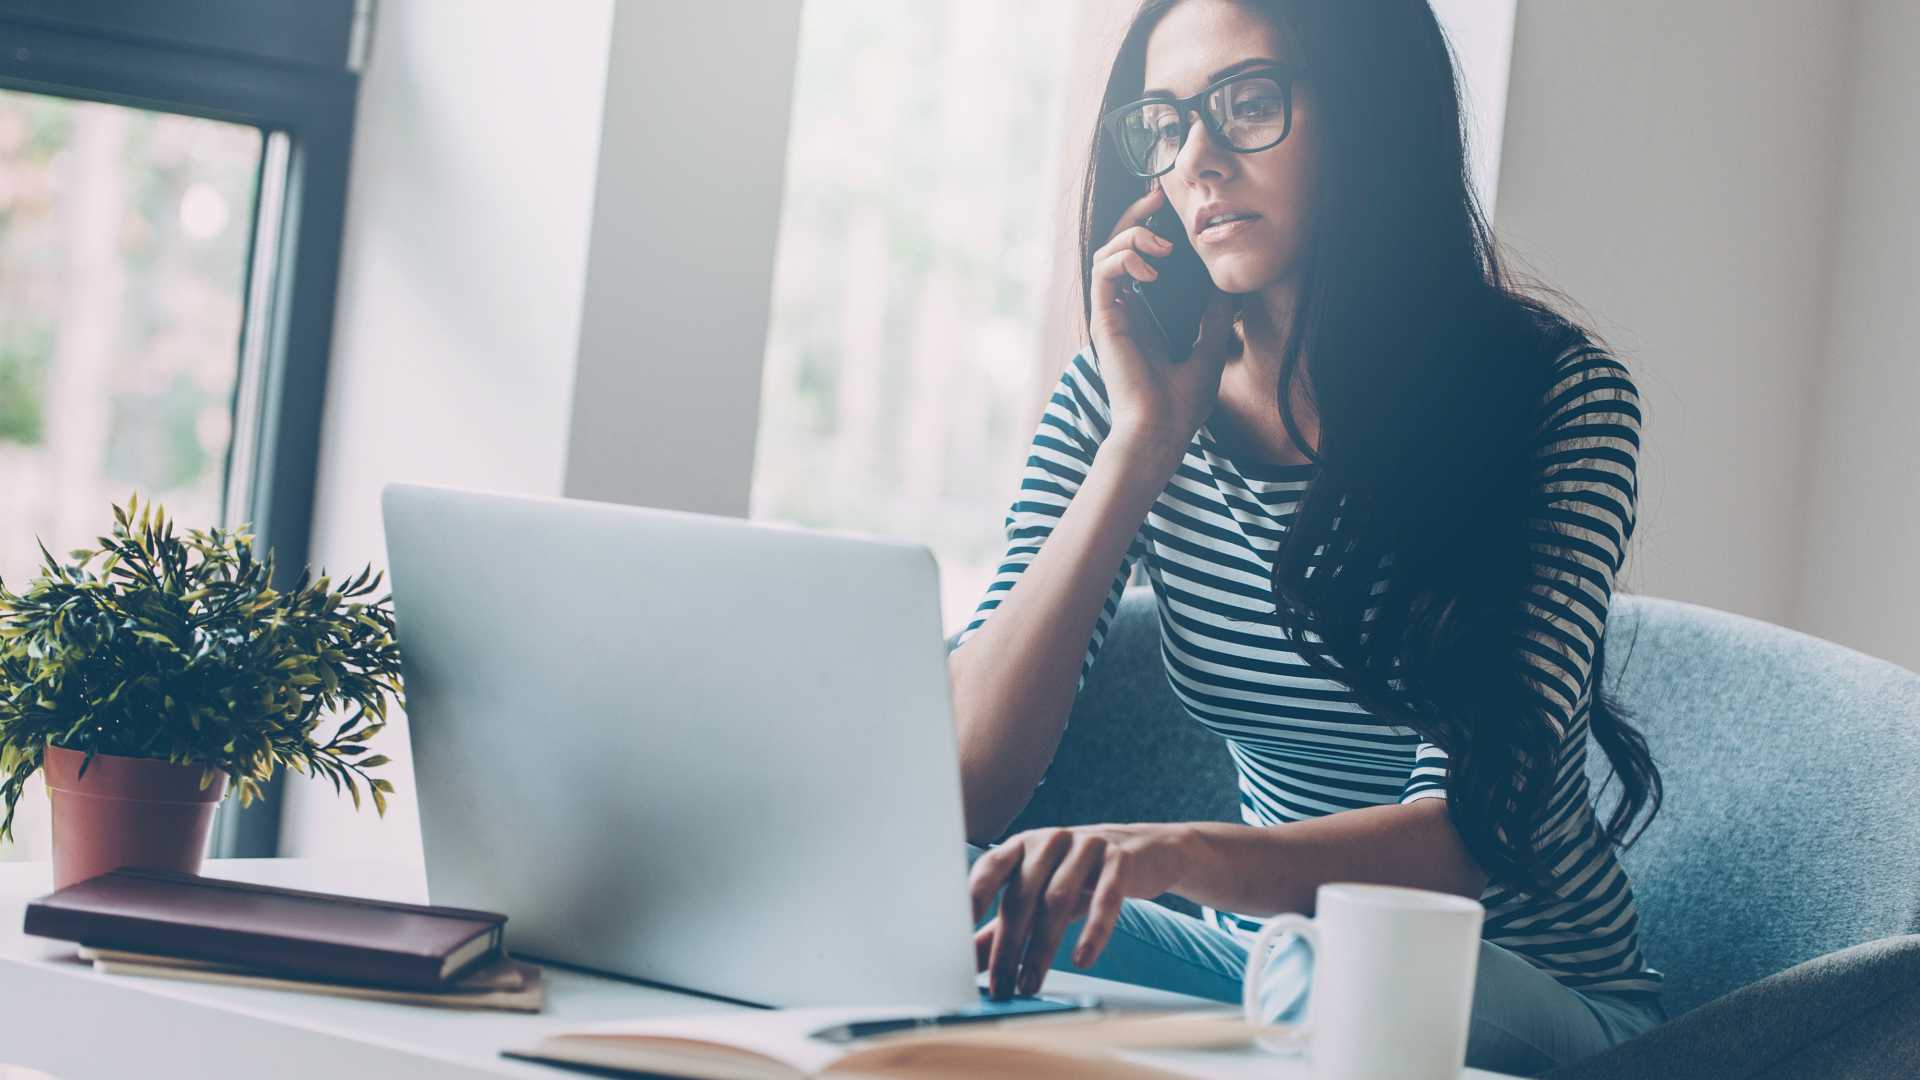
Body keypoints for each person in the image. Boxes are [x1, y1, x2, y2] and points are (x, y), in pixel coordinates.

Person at [946, 1, 1668, 1074]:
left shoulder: (1552, 402)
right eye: (1166, 122)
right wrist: (1143, 443)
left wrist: (1170, 853)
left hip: (1513, 993)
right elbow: (962, 782)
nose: (1198, 159)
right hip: (1262, 972)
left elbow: (1456, 846)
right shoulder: (1126, 391)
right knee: (945, 901)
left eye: (1247, 103)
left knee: (1337, 968)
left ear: (1370, 114)